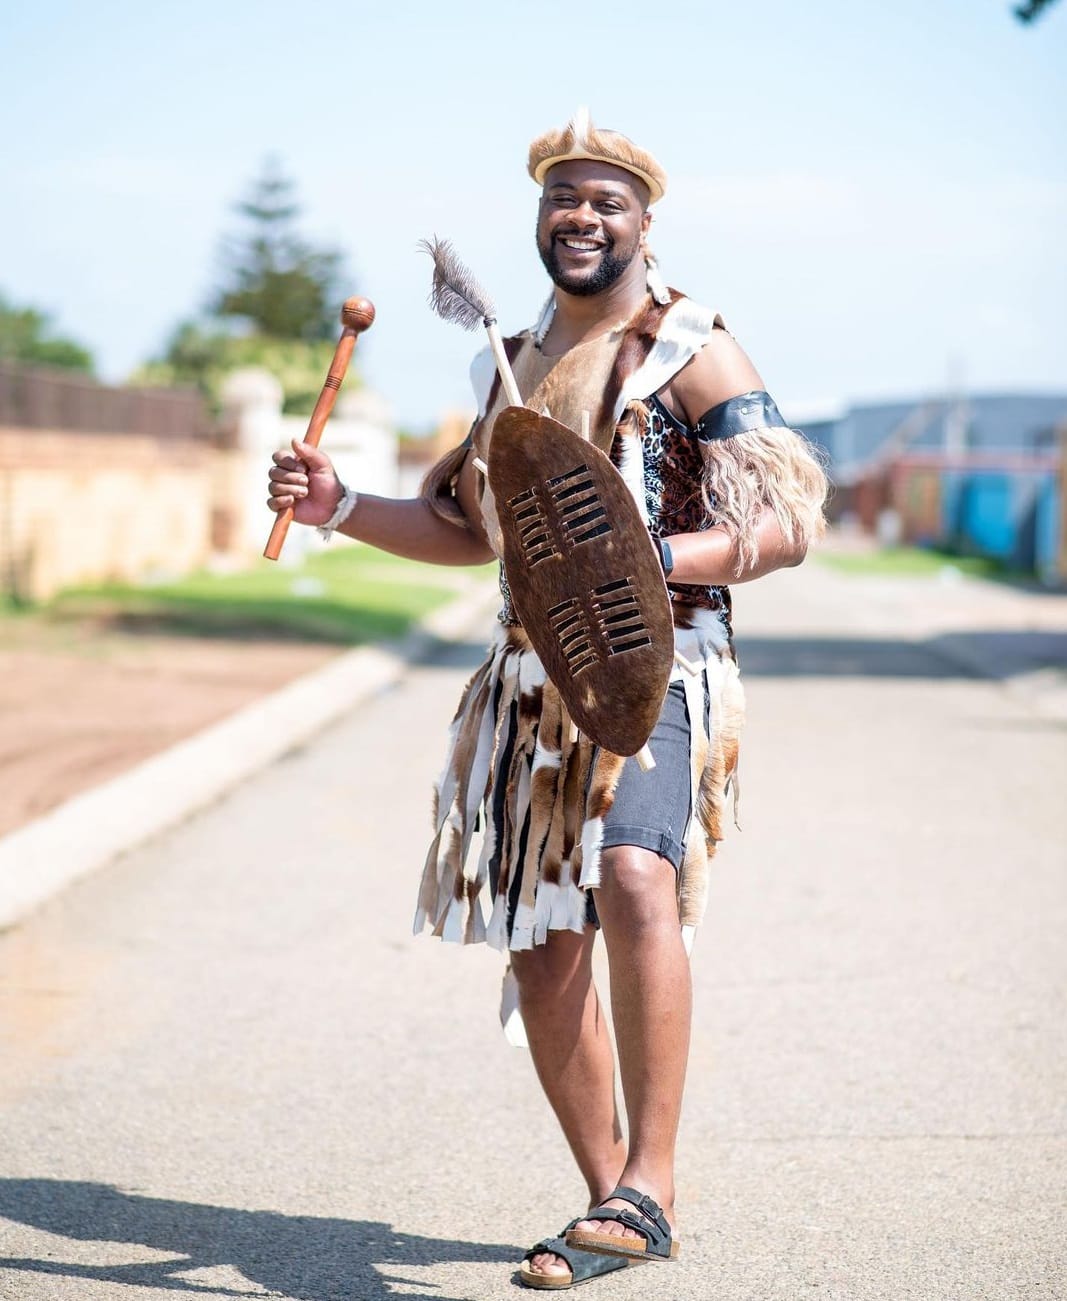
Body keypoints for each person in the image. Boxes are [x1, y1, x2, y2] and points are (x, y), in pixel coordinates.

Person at [267, 109, 828, 1290]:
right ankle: (611, 1199)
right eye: (560, 199)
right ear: (539, 219)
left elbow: (785, 524)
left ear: (641, 222)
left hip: (661, 665)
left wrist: (642, 559)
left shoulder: (693, 349)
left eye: (604, 200)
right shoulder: (504, 364)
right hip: (528, 684)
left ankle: (653, 1179)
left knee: (636, 872)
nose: (579, 216)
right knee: (542, 950)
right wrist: (339, 505)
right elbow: (469, 531)